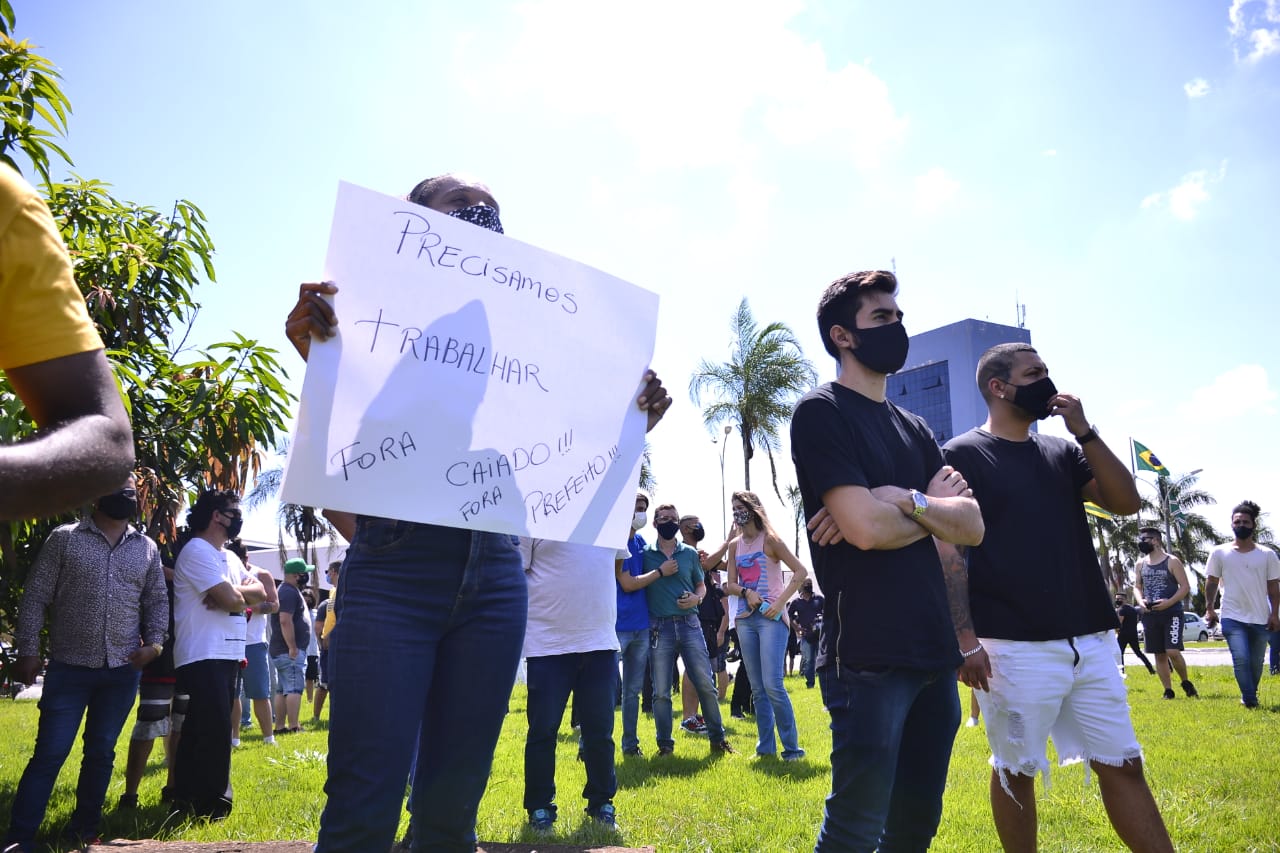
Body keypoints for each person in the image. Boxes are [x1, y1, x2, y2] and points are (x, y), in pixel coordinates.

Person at [285, 172, 674, 853]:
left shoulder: (529, 342)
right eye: (465, 210)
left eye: (494, 213)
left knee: (449, 817)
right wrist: (318, 357)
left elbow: (567, 477)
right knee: (363, 812)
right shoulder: (367, 325)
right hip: (393, 576)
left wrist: (630, 420)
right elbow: (335, 476)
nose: (484, 221)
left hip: (496, 579)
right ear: (412, 224)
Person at [938, 341, 1173, 852]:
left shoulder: (1064, 451)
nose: (1047, 381)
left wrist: (1084, 431)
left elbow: (1126, 502)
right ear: (999, 387)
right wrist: (964, 638)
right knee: (1016, 771)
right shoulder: (960, 454)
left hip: (1088, 638)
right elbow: (948, 551)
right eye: (1034, 372)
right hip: (1010, 644)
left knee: (1124, 761)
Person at [791, 270, 983, 851]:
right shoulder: (821, 413)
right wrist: (928, 510)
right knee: (855, 827)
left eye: (899, 317)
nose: (897, 328)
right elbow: (865, 531)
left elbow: (971, 525)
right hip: (867, 655)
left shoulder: (917, 427)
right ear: (843, 335)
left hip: (933, 654)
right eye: (882, 318)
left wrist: (905, 498)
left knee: (916, 824)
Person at [4, 476, 166, 852]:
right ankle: (19, 838)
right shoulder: (65, 539)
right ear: (95, 496)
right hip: (69, 668)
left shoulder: (146, 548)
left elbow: (156, 601)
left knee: (101, 751)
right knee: (50, 752)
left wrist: (155, 644)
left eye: (130, 489)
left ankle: (83, 832)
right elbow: (36, 597)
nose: (125, 495)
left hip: (122, 672)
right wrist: (27, 650)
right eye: (117, 488)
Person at [170, 489, 266, 819]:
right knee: (213, 730)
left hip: (225, 653)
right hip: (202, 652)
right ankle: (214, 804)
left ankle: (183, 796)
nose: (238, 519)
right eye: (233, 512)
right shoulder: (197, 550)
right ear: (216, 516)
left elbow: (259, 592)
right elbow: (235, 601)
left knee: (200, 727)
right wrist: (235, 596)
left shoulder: (229, 557)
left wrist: (232, 592)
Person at [519, 537, 621, 832]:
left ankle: (602, 802)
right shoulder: (537, 513)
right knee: (542, 731)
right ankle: (540, 807)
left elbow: (615, 566)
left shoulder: (610, 517)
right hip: (547, 645)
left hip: (600, 643)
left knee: (600, 732)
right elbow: (518, 569)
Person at [722, 490, 809, 760]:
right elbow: (729, 584)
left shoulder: (771, 540)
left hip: (771, 620)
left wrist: (779, 603)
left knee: (773, 685)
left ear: (754, 508)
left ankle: (792, 749)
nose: (737, 512)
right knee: (758, 689)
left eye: (741, 507)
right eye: (734, 507)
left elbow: (800, 571)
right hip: (746, 621)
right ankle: (765, 749)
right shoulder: (735, 545)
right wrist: (745, 593)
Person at [644, 502, 734, 756]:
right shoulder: (646, 554)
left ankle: (718, 739)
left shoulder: (690, 554)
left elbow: (701, 585)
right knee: (661, 692)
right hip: (659, 627)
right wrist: (659, 572)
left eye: (672, 517)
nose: (668, 521)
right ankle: (665, 745)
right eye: (663, 518)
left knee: (706, 683)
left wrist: (697, 599)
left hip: (690, 624)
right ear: (655, 523)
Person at [1204, 500, 1280, 709]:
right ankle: (1250, 700)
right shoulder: (1219, 552)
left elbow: (1273, 588)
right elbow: (1211, 582)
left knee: (1256, 664)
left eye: (1246, 522)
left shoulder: (1267, 555)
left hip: (1260, 617)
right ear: (1231, 524)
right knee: (1241, 658)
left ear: (1254, 525)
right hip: (1231, 616)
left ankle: (1249, 694)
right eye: (1237, 522)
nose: (1241, 525)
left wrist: (1275, 615)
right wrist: (1210, 608)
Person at [614, 492, 665, 757]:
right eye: (637, 507)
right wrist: (659, 573)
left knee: (632, 693)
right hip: (617, 626)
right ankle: (587, 746)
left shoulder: (641, 540)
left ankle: (630, 746)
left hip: (641, 626)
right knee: (605, 693)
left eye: (644, 508)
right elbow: (627, 582)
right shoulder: (615, 539)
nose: (641, 513)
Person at [1133, 528, 1197, 698]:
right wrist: (1141, 602)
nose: (1142, 542)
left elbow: (1185, 587)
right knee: (1159, 654)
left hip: (1172, 613)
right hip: (1150, 615)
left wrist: (1168, 602)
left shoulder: (1172, 561)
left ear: (1156, 540)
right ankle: (1168, 690)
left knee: (1172, 651)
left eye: (1145, 539)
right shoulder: (1140, 564)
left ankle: (1186, 682)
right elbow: (1137, 587)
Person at [227, 540, 279, 745]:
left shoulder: (261, 575)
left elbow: (274, 605)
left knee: (260, 693)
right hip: (230, 640)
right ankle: (234, 739)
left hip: (254, 642)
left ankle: (268, 737)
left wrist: (248, 604)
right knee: (232, 694)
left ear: (246, 558)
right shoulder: (224, 572)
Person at [313, 560, 341, 722]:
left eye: (328, 572)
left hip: (337, 644)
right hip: (327, 647)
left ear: (334, 572)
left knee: (335, 684)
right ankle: (316, 717)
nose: (327, 575)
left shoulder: (344, 591)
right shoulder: (332, 592)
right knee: (324, 683)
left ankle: (335, 716)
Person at [787, 579, 823, 688]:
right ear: (801, 586)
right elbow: (788, 615)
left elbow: (829, 612)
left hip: (820, 634)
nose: (809, 586)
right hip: (806, 635)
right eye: (807, 584)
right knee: (809, 660)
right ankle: (810, 683)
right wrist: (796, 627)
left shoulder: (819, 599)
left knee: (822, 659)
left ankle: (824, 682)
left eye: (810, 584)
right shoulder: (797, 602)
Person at [1114, 593, 1155, 676]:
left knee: (1120, 653)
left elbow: (1119, 623)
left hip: (1123, 635)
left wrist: (1116, 630)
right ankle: (1151, 669)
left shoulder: (1121, 610)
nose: (1118, 600)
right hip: (1133, 634)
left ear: (1125, 599)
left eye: (1119, 598)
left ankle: (1121, 671)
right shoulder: (1133, 609)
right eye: (1117, 598)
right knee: (1138, 653)